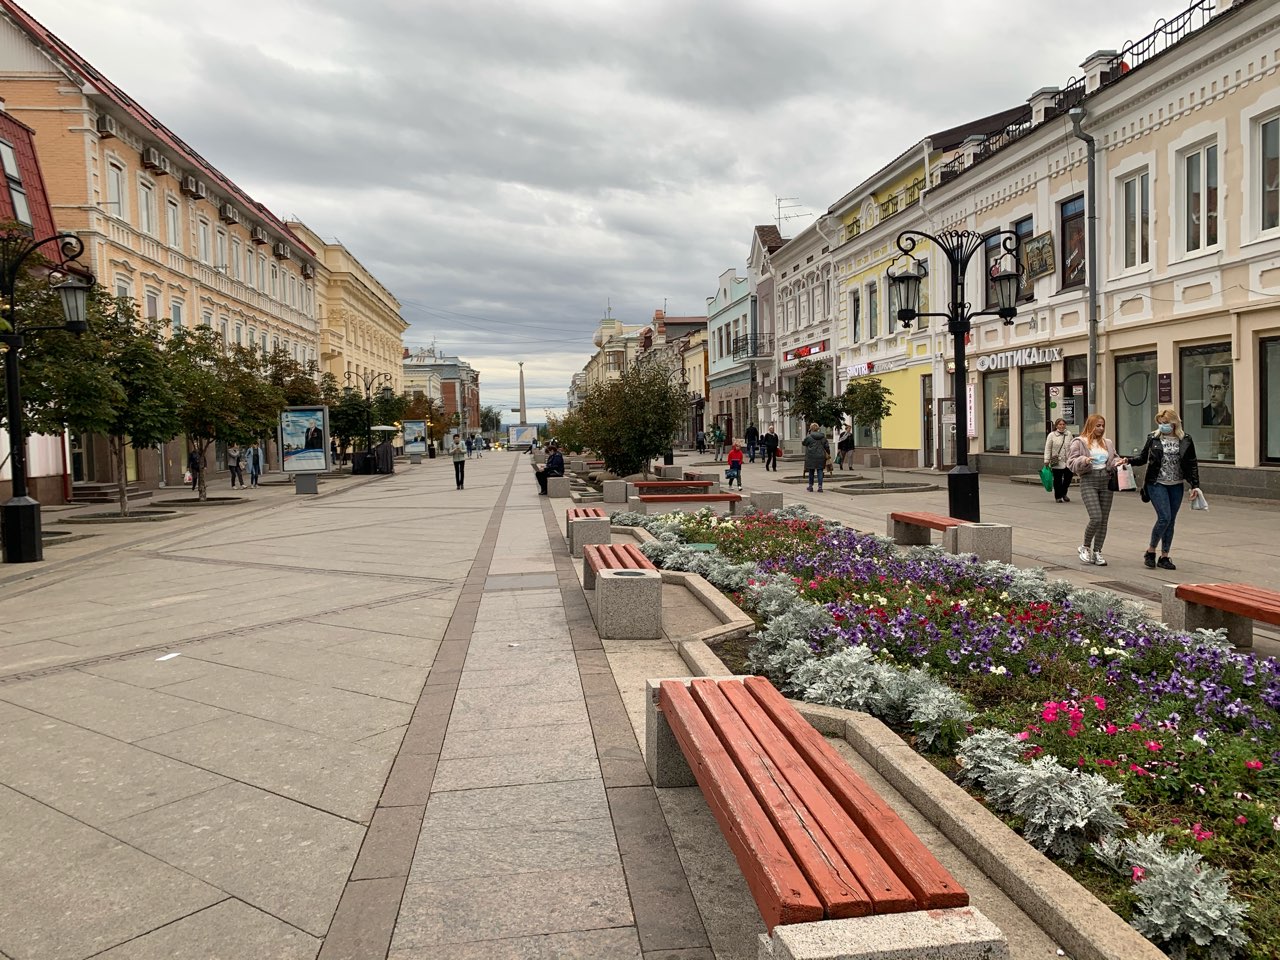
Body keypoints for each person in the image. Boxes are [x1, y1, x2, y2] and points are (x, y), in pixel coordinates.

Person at [1128, 408, 1203, 570]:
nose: (1163, 426)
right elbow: (1142, 458)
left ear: (1175, 423)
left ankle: (1165, 556)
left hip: (1176, 484)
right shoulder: (1153, 438)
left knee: (1171, 521)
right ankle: (1151, 551)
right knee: (1164, 517)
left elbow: (1192, 463)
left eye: (1166, 423)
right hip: (1156, 483)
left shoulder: (1186, 440)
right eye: (1161, 423)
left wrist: (1195, 485)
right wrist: (1126, 461)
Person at [1066, 414, 1126, 566]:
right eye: (1098, 425)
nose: (1101, 429)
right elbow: (1071, 462)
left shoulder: (1107, 443)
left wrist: (1118, 461)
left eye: (1102, 426)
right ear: (1090, 425)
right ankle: (1085, 546)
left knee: (1104, 520)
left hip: (1106, 480)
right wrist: (1084, 460)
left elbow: (1112, 459)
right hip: (1089, 480)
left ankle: (1097, 551)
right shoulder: (1080, 442)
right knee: (1096, 517)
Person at [1043, 419, 1074, 503]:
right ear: (1056, 426)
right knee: (1057, 479)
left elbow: (1072, 447)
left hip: (1068, 460)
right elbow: (1048, 448)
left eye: (1063, 424)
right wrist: (1046, 459)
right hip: (1056, 460)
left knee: (1068, 478)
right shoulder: (1051, 435)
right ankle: (1058, 496)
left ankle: (1064, 493)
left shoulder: (1069, 434)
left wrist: (1073, 458)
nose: (1062, 426)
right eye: (1060, 424)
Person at [801, 422, 829, 493]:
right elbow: (826, 446)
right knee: (820, 471)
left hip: (811, 456)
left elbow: (804, 443)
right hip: (821, 456)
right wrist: (828, 454)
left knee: (811, 471)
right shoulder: (823, 437)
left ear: (811, 429)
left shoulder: (809, 437)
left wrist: (808, 434)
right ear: (818, 429)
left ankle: (810, 486)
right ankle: (820, 487)